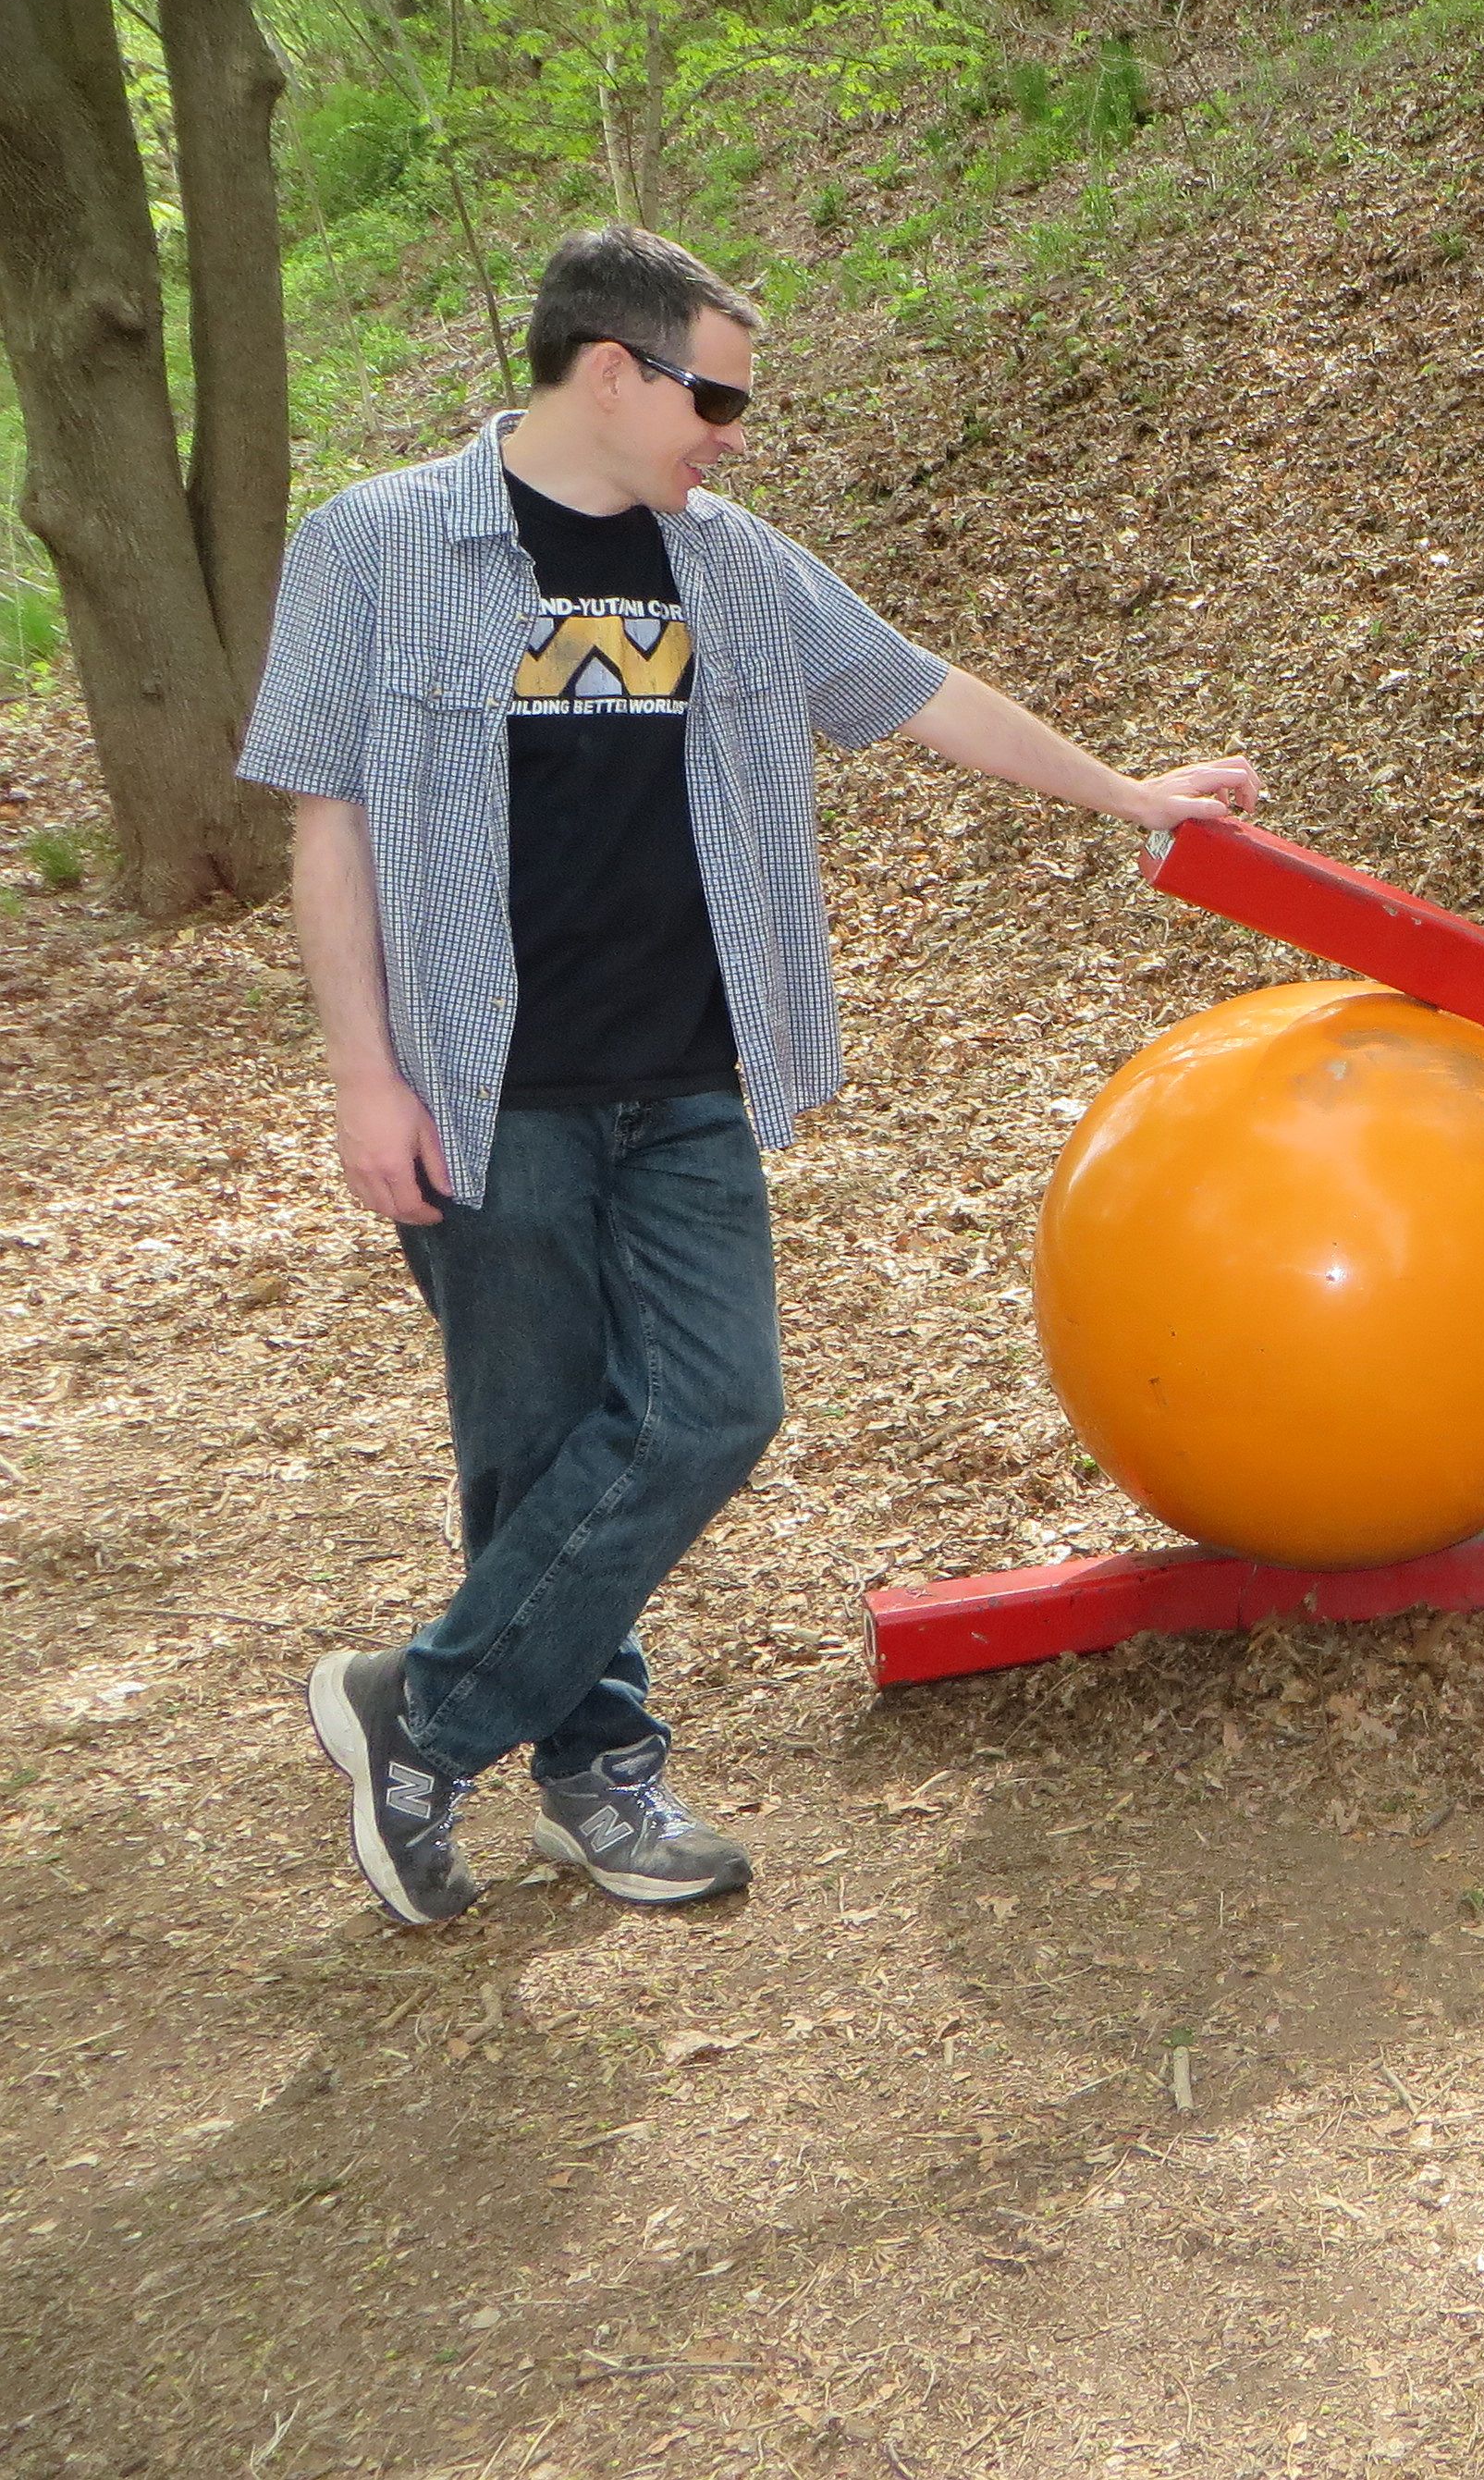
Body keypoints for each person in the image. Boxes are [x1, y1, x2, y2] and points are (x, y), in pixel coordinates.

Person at [239, 226, 1262, 1930]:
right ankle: (594, 1778)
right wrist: (365, 1077)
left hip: (686, 1074)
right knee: (532, 1453)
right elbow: (326, 824)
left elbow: (920, 691)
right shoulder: (376, 544)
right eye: (714, 399)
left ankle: (419, 1713)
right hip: (484, 1084)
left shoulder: (728, 563)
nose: (731, 435)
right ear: (612, 371)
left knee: (714, 1406)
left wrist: (1130, 797)